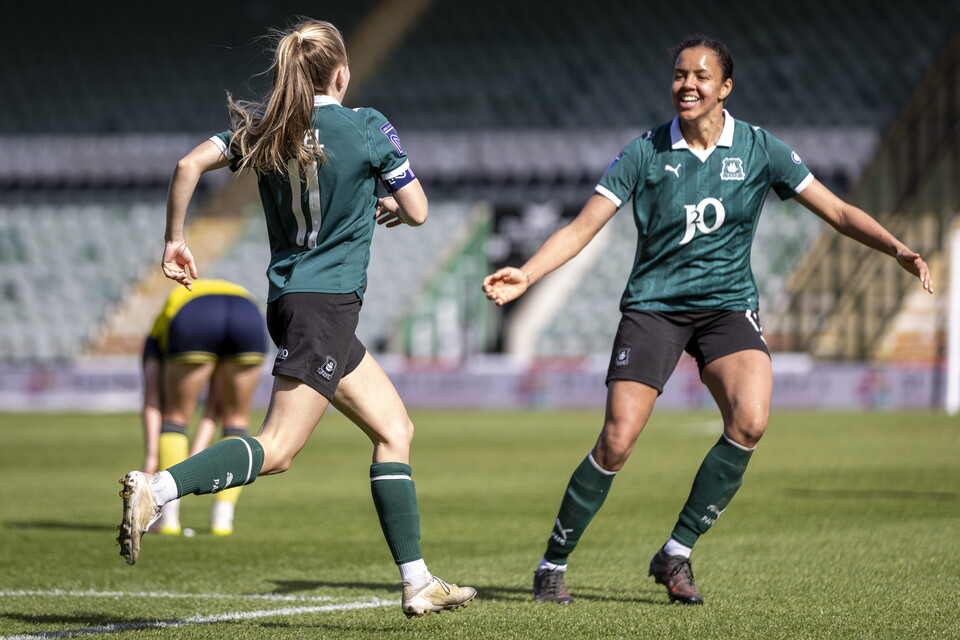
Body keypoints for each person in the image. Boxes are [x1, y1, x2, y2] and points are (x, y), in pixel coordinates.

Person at [483, 35, 933, 606]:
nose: (687, 85)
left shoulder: (761, 148)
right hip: (655, 306)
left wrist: (896, 248)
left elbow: (839, 211)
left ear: (725, 87)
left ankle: (676, 552)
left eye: (700, 76)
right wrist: (527, 274)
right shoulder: (644, 151)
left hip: (726, 307)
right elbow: (581, 227)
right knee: (617, 440)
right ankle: (552, 563)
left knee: (751, 420)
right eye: (679, 74)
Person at [115, 18, 476, 619]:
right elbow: (418, 210)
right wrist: (386, 200)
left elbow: (186, 165)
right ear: (341, 74)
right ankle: (159, 489)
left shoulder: (266, 128)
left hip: (291, 303)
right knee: (278, 448)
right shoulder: (368, 126)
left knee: (395, 430)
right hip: (326, 308)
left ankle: (417, 581)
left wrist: (175, 239)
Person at [140, 278, 267, 536]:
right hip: (247, 311)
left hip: (194, 311)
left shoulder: (155, 335)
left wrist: (152, 456)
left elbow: (152, 400)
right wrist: (197, 456)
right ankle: (223, 519)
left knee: (175, 419)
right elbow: (214, 408)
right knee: (236, 422)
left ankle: (168, 518)